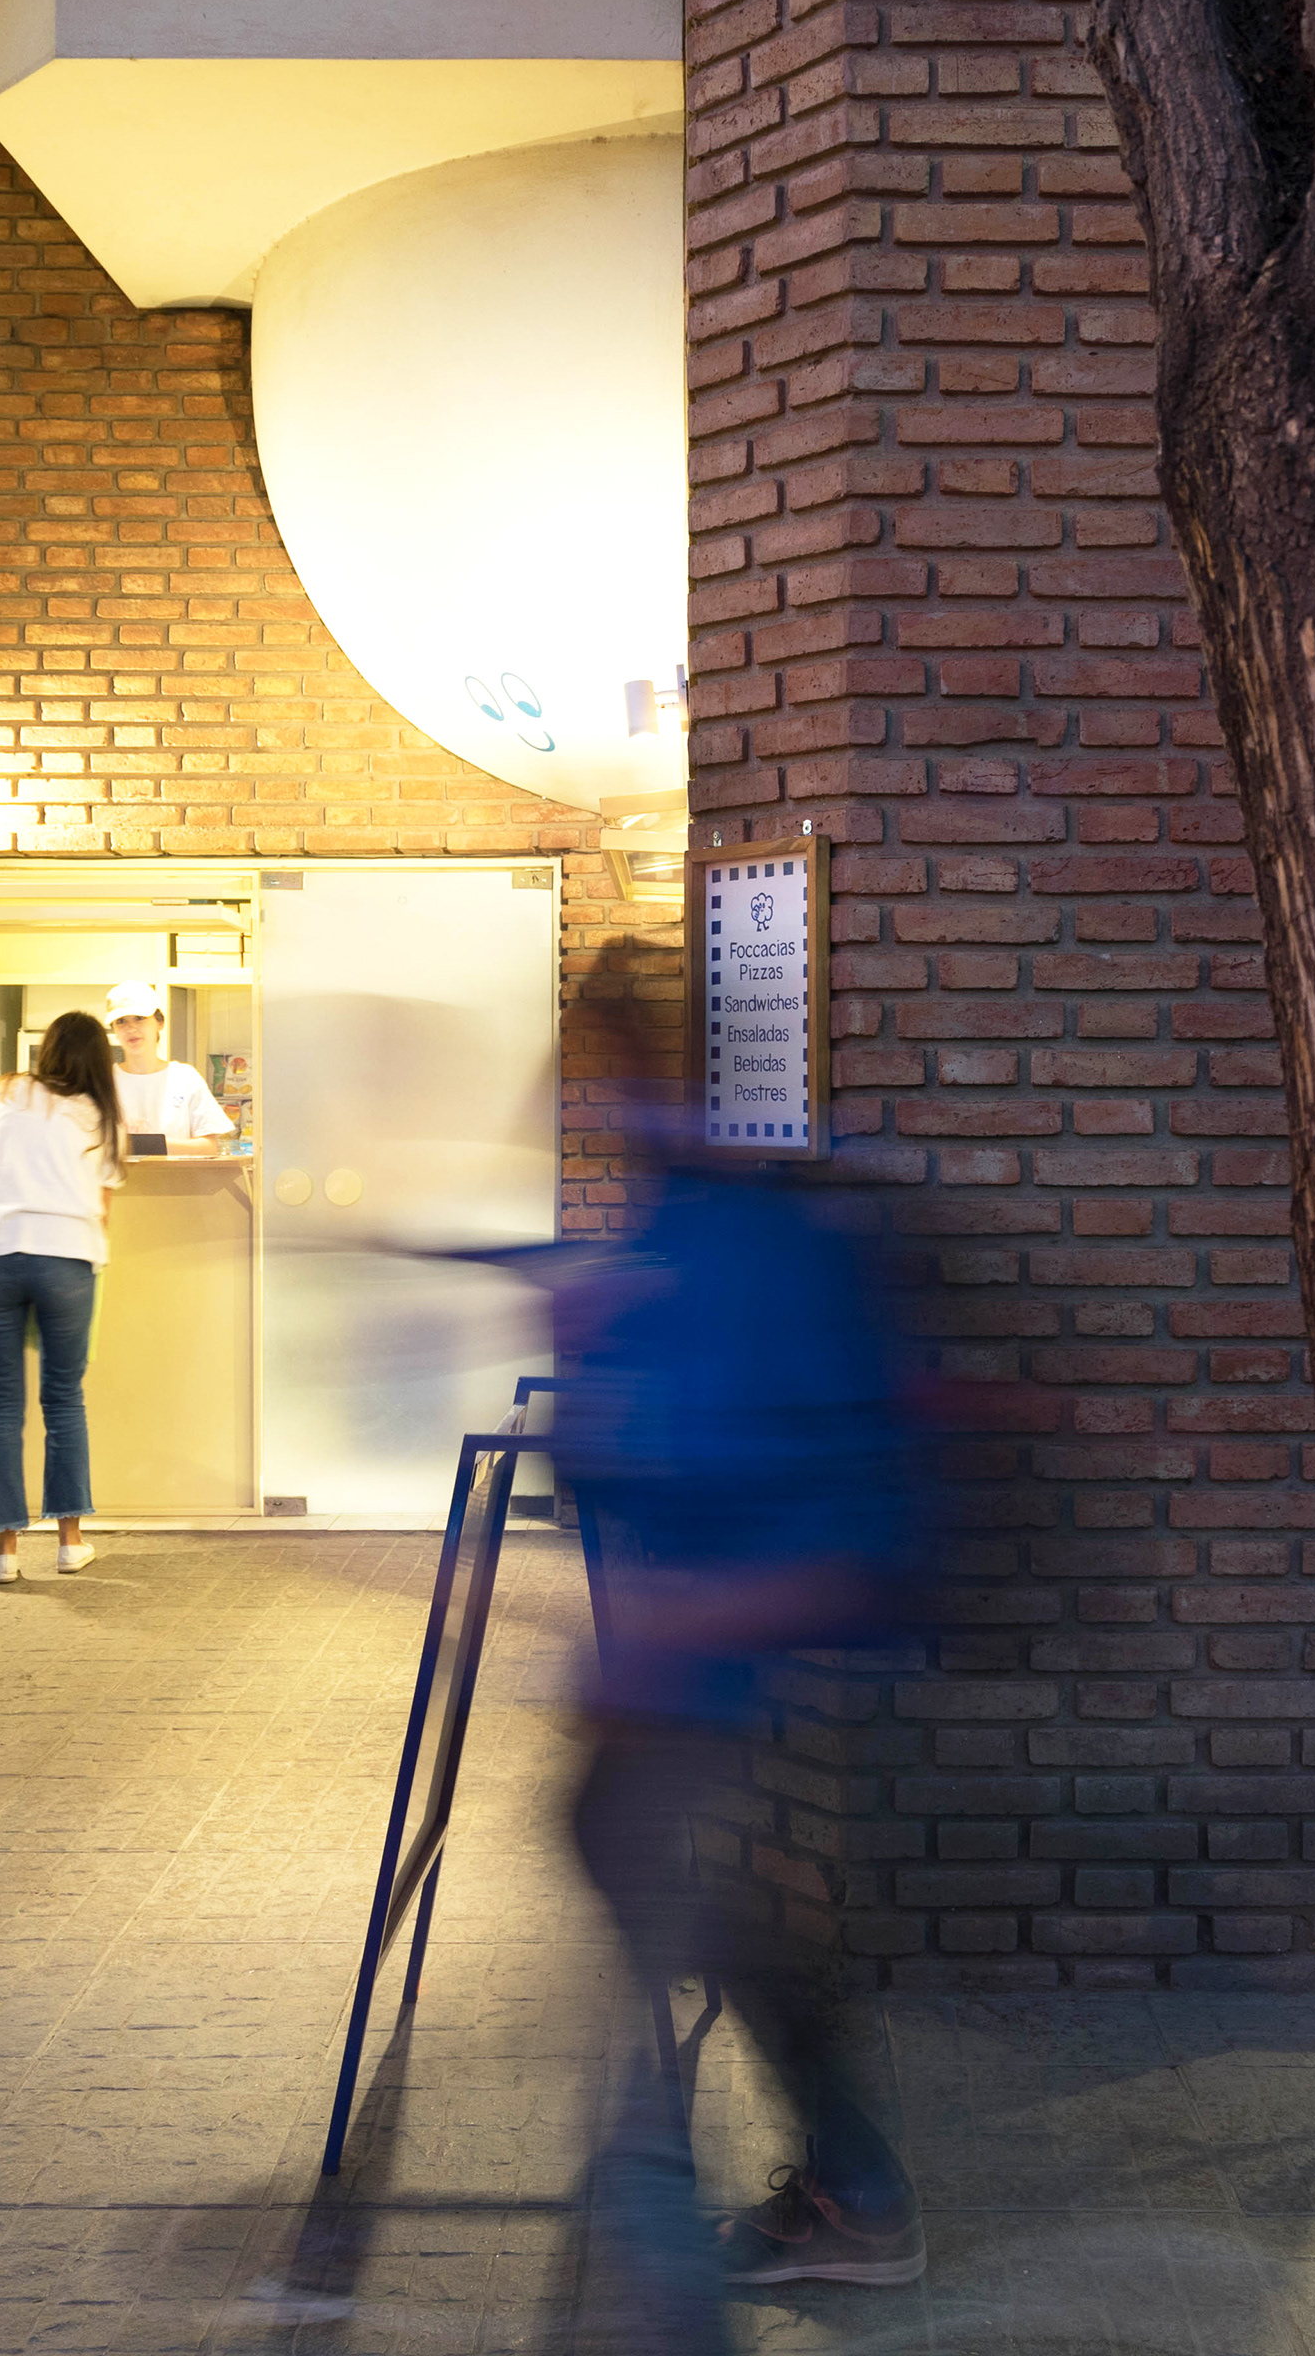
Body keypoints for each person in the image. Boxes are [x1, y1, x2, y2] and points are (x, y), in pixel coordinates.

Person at [552, 967, 937, 2339]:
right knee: (645, 1857)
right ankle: (833, 2184)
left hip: (749, 1633)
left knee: (662, 1868)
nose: (591, 1105)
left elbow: (809, 1486)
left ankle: (816, 2196)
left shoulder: (742, 1233)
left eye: (601, 1070)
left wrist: (685, 1614)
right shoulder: (692, 1220)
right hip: (719, 1637)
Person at [0, 1009, 126, 1582]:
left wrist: (3, 1194)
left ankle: (3, 1553)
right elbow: (102, 1211)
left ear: (47, 1051)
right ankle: (70, 1543)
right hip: (66, 1256)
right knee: (63, 1398)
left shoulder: (7, 1093)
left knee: (0, 1401)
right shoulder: (103, 1117)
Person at [102, 979, 237, 1157]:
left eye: (139, 1018)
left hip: (177, 1175)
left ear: (160, 1022)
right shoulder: (103, 1081)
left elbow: (209, 1147)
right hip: (120, 1176)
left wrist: (146, 1144)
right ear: (113, 1029)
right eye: (121, 1021)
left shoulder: (185, 1077)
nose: (131, 1028)